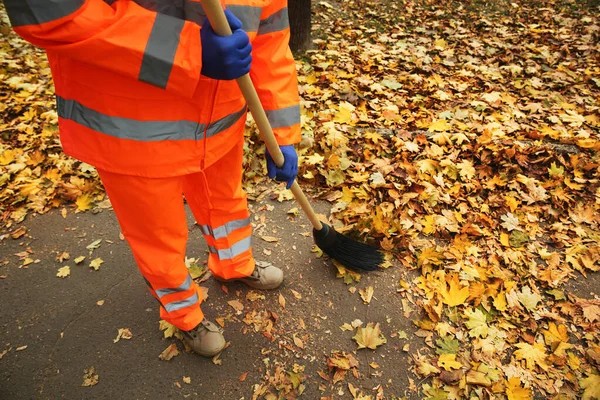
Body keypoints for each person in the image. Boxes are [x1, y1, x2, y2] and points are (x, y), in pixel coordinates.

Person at [4, 0, 301, 357]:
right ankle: (185, 315)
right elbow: (51, 13)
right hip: (132, 129)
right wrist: (186, 50)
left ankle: (233, 264)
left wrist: (283, 135)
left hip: (219, 119)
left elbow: (270, 44)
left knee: (224, 200)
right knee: (157, 234)